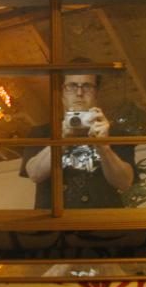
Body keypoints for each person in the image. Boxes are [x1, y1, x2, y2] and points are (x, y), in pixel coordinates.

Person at [20, 68, 135, 209]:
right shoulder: (42, 132)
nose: (79, 93)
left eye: (87, 86)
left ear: (96, 95)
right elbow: (34, 174)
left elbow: (124, 183)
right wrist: (62, 140)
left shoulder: (114, 133)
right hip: (55, 219)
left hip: (103, 220)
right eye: (71, 86)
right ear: (62, 94)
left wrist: (104, 147)